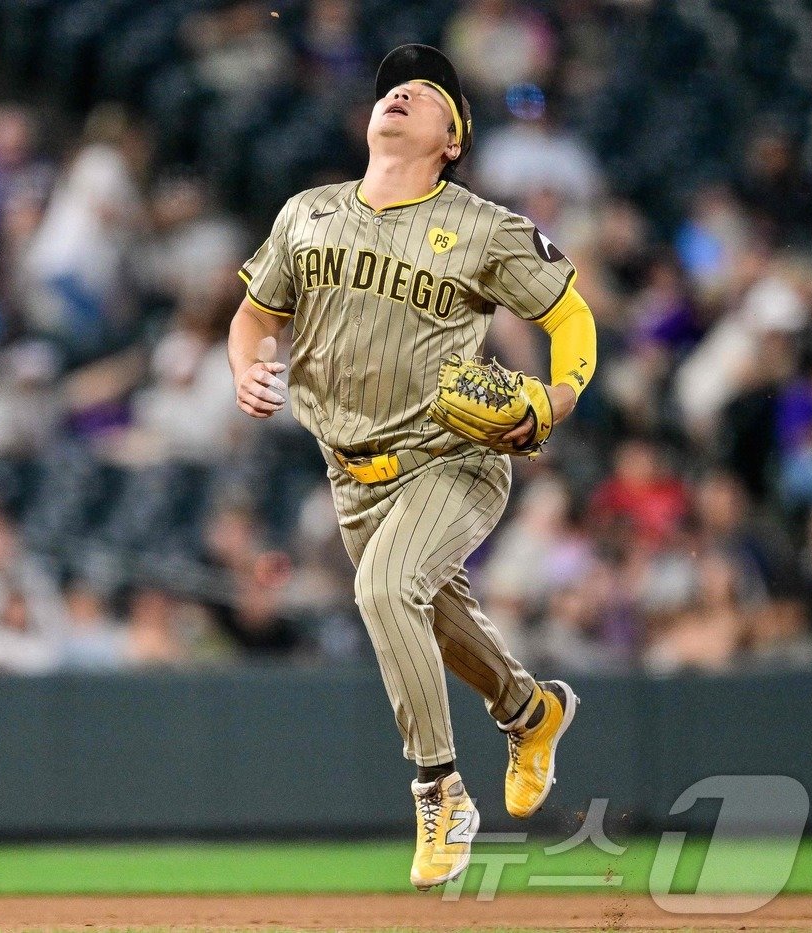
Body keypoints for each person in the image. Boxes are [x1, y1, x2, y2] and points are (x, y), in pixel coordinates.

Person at [226, 45, 598, 890]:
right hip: (349, 472)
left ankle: (440, 789)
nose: (399, 91)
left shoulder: (484, 226)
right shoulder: (306, 214)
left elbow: (571, 315)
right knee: (432, 619)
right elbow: (253, 317)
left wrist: (561, 394)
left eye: (424, 91)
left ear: (452, 138)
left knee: (385, 591)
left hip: (452, 456)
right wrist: (244, 364)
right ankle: (531, 711)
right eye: (392, 84)